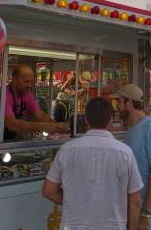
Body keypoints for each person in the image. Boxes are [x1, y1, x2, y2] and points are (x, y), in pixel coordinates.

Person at [42, 97, 143, 230]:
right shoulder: (125, 153)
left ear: (86, 120)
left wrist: (72, 201)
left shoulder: (67, 150)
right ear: (111, 120)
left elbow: (48, 191)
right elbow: (134, 202)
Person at [112, 84, 151, 230]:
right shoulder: (131, 131)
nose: (116, 106)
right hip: (134, 212)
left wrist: (146, 213)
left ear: (130, 102)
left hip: (150, 219)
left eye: (119, 101)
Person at [0, 64, 69, 139]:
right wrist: (43, 126)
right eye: (26, 81)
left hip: (10, 140)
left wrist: (57, 126)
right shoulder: (3, 95)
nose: (29, 85)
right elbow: (12, 125)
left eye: (31, 82)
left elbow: (39, 114)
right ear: (14, 79)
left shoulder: (27, 94)